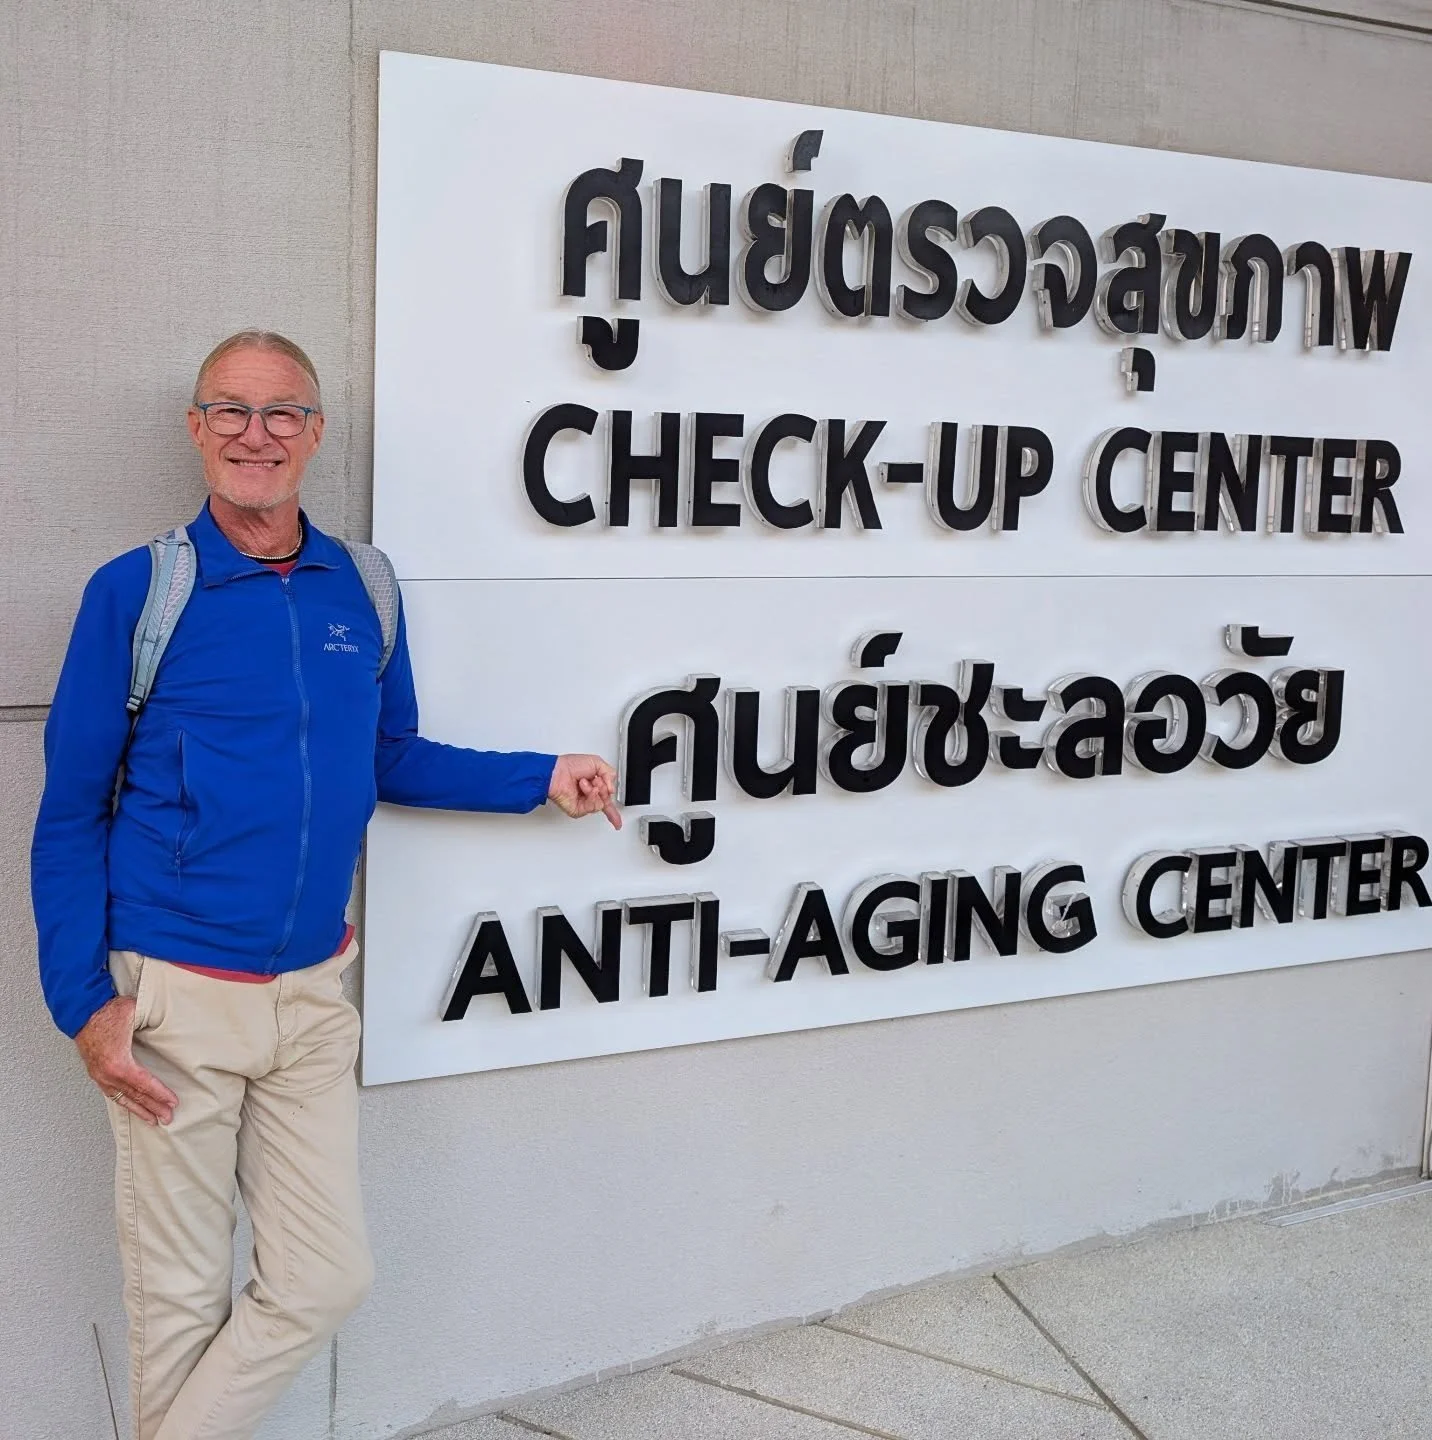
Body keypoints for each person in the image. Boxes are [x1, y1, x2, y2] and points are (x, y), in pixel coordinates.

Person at [30, 330, 621, 1440]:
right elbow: (70, 811)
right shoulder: (139, 592)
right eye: (234, 412)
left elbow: (390, 755)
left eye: (283, 413)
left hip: (310, 999)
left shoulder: (367, 587)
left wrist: (543, 778)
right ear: (198, 429)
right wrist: (84, 1003)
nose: (258, 435)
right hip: (172, 998)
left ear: (315, 433)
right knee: (178, 1306)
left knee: (323, 1276)